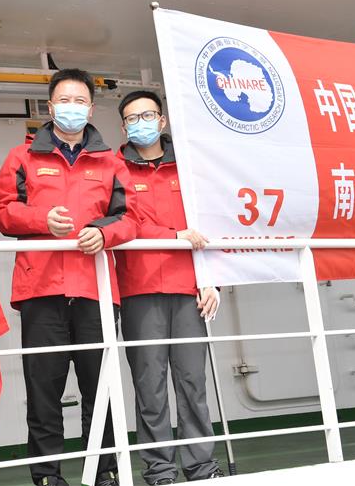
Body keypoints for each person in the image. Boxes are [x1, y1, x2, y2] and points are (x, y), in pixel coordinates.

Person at [0, 68, 139, 486]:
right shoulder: (22, 158)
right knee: (43, 393)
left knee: (101, 391)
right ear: (51, 107)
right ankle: (47, 477)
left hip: (95, 292)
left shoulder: (110, 163)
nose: (71, 108)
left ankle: (104, 472)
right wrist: (40, 220)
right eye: (64, 101)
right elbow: (0, 211)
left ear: (90, 108)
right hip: (41, 293)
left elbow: (131, 219)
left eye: (79, 101)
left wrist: (103, 233)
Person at [114, 91, 224, 484]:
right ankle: (160, 470)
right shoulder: (116, 168)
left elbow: (211, 225)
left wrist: (212, 280)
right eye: (131, 118)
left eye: (147, 114)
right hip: (139, 288)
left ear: (162, 121)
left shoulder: (191, 169)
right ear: (123, 127)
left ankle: (201, 466)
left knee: (193, 382)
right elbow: (127, 222)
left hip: (189, 289)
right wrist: (175, 234)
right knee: (150, 386)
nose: (139, 122)